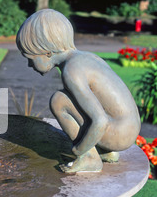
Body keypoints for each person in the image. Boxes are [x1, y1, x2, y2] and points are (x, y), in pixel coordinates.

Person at [16, 9, 141, 173]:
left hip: (119, 134)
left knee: (59, 100)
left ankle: (90, 158)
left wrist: (79, 150)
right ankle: (107, 151)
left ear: (47, 52)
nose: (29, 65)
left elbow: (100, 120)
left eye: (30, 59)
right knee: (72, 100)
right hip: (129, 128)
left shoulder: (71, 71)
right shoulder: (88, 57)